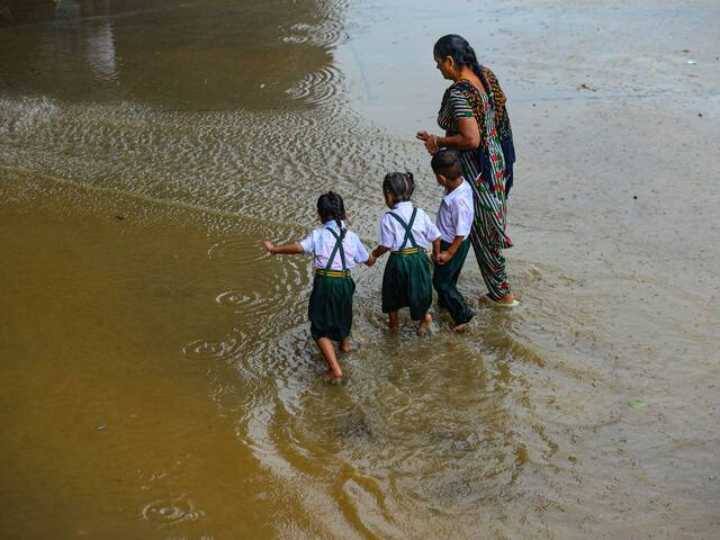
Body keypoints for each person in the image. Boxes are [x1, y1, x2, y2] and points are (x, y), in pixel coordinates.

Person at [417, 34, 518, 306]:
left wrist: (438, 141)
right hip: (496, 161)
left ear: (450, 61)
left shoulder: (460, 92)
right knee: (474, 224)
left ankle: (502, 296)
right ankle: (447, 281)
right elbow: (498, 120)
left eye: (439, 63)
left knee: (484, 233)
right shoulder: (485, 76)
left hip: (477, 170)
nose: (438, 69)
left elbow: (471, 139)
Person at [263, 192, 374, 380]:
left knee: (319, 327)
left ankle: (335, 370)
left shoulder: (319, 234)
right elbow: (368, 260)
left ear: (319, 214)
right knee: (343, 314)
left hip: (325, 281)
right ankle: (344, 346)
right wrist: (375, 255)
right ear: (344, 213)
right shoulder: (352, 236)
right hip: (346, 282)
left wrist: (275, 249)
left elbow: (299, 247)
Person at [370, 172, 441, 336]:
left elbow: (386, 245)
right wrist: (436, 256)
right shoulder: (420, 213)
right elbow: (436, 237)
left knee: (392, 293)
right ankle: (424, 319)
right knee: (419, 291)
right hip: (419, 259)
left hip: (398, 261)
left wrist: (373, 254)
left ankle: (393, 324)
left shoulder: (388, 217)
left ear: (388, 194)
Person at [431, 150, 476, 332]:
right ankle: (445, 304)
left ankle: (463, 315)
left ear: (441, 178)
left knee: (440, 282)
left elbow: (461, 231)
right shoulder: (460, 185)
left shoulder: (458, 202)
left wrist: (449, 252)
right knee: (449, 278)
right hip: (456, 243)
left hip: (453, 244)